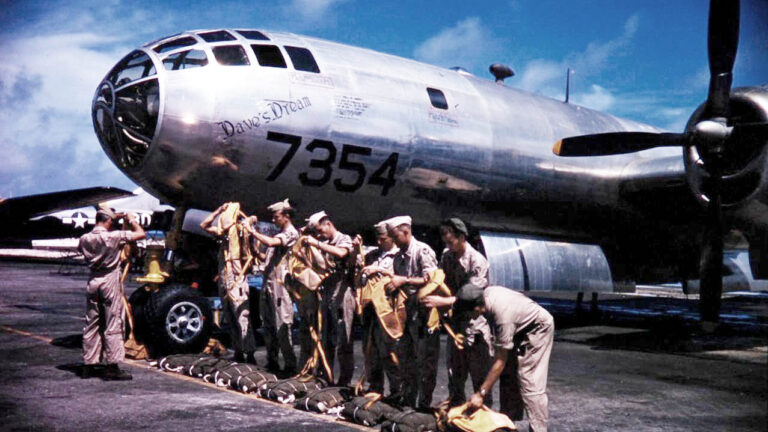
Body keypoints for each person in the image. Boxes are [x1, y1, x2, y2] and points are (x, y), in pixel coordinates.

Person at [421, 218, 494, 407]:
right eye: (445, 241)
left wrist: (443, 301)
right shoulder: (447, 255)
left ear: (462, 237)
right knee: (455, 373)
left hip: (474, 323)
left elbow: (471, 298)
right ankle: (456, 409)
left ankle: (484, 416)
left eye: (451, 240)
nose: (448, 245)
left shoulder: (477, 261)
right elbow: (442, 281)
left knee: (479, 374)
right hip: (455, 325)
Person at [465, 285, 555, 432]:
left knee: (530, 380)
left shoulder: (503, 319)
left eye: (468, 313)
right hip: (520, 327)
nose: (468, 318)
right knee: (508, 374)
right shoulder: (485, 295)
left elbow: (500, 361)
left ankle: (538, 429)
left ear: (476, 308)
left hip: (539, 328)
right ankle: (508, 421)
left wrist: (481, 393)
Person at [78, 206, 145, 380]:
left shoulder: (84, 238)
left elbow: (81, 251)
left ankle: (89, 365)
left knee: (92, 323)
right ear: (108, 221)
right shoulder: (113, 236)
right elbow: (140, 234)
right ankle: (112, 367)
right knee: (113, 322)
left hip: (93, 281)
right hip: (109, 281)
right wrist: (131, 220)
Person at [385, 216, 439, 409]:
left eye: (395, 236)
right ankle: (409, 399)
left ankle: (424, 404)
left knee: (425, 361)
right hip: (408, 312)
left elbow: (432, 279)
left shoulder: (422, 251)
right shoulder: (398, 256)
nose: (392, 240)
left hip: (425, 312)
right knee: (407, 358)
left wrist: (404, 280)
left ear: (406, 232)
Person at [245, 199, 299, 374]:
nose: (273, 220)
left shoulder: (291, 233)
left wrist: (252, 231)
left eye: (276, 217)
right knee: (268, 325)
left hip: (280, 285)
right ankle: (273, 361)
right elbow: (266, 258)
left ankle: (290, 364)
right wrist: (254, 251)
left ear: (286, 216)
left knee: (282, 324)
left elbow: (272, 243)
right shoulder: (277, 234)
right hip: (268, 283)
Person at [302, 211, 356, 386]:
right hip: (327, 294)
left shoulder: (344, 239)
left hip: (342, 295)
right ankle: (326, 376)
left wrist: (316, 243)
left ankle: (344, 380)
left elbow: (341, 253)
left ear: (328, 224)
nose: (319, 235)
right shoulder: (323, 242)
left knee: (343, 341)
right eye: (316, 233)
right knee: (327, 339)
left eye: (320, 230)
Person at [200, 202, 257, 363]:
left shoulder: (240, 232)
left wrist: (247, 220)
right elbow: (203, 225)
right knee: (229, 316)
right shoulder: (222, 237)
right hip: (225, 278)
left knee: (242, 315)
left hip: (237, 278)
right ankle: (239, 350)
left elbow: (253, 220)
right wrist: (218, 210)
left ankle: (249, 352)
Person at [356, 219, 400, 395]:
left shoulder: (399, 256)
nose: (379, 242)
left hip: (388, 310)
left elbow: (402, 279)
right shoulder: (373, 255)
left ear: (391, 237)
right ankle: (375, 387)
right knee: (371, 350)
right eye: (378, 238)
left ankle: (397, 390)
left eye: (383, 238)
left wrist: (380, 271)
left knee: (389, 351)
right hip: (371, 310)